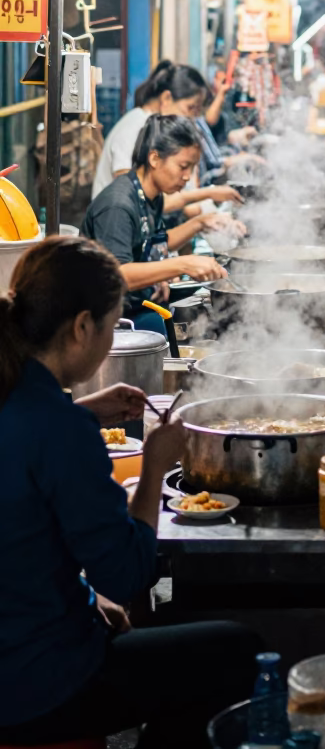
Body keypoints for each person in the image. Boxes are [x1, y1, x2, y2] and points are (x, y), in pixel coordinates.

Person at [0, 236, 260, 746]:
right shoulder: (61, 431)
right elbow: (126, 575)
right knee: (238, 650)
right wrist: (157, 466)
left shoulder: (21, 397)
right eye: (111, 324)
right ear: (81, 327)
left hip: (19, 638)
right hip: (36, 683)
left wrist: (82, 413)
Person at [81, 115, 228, 330]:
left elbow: (156, 243)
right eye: (183, 166)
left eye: (192, 168)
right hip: (106, 321)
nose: (187, 177)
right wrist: (184, 264)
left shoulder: (151, 195)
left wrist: (199, 223)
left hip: (138, 305)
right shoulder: (117, 205)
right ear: (154, 159)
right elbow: (119, 275)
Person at [92, 60, 243, 213]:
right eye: (190, 108)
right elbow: (131, 197)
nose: (192, 118)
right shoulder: (135, 128)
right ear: (166, 98)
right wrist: (207, 195)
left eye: (197, 111)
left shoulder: (156, 129)